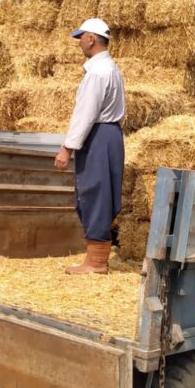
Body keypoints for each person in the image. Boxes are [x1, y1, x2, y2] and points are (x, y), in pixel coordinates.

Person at [54, 17, 126, 275]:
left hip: (98, 136)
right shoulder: (112, 69)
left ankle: (95, 264)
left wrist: (67, 148)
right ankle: (97, 260)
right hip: (111, 134)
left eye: (81, 37)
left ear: (91, 38)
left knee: (94, 192)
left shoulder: (97, 72)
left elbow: (85, 114)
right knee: (103, 193)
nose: (80, 42)